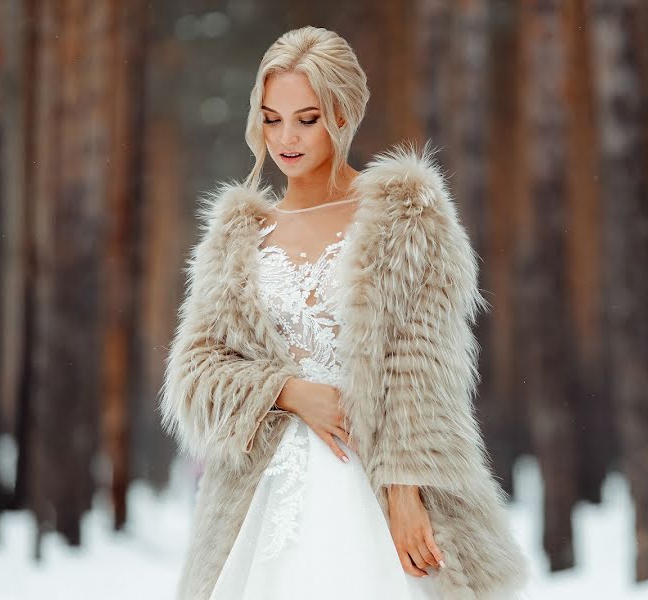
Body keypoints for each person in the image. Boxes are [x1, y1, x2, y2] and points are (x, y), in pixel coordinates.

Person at [159, 25, 530, 600]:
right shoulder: (238, 236)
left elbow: (424, 370)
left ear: (344, 112)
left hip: (377, 481)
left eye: (307, 118)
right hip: (262, 497)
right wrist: (286, 390)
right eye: (271, 116)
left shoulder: (406, 217)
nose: (286, 137)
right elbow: (195, 370)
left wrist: (405, 491)